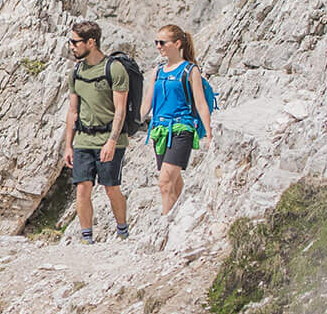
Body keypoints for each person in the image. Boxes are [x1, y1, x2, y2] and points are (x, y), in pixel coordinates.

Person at [58, 20, 131, 244]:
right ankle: (86, 238)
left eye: (75, 42)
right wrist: (68, 146)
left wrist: (111, 141)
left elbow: (120, 110)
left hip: (109, 139)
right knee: (82, 187)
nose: (71, 46)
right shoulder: (76, 72)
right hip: (83, 139)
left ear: (91, 42)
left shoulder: (114, 69)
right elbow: (73, 111)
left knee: (111, 187)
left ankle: (122, 230)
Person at [147, 23, 214, 221]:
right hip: (159, 130)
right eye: (156, 42)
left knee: (165, 182)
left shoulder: (190, 70)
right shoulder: (157, 72)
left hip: (182, 128)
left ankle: (164, 226)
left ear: (177, 44)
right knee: (174, 184)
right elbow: (148, 102)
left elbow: (201, 104)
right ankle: (183, 219)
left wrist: (209, 133)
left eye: (162, 42)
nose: (158, 46)